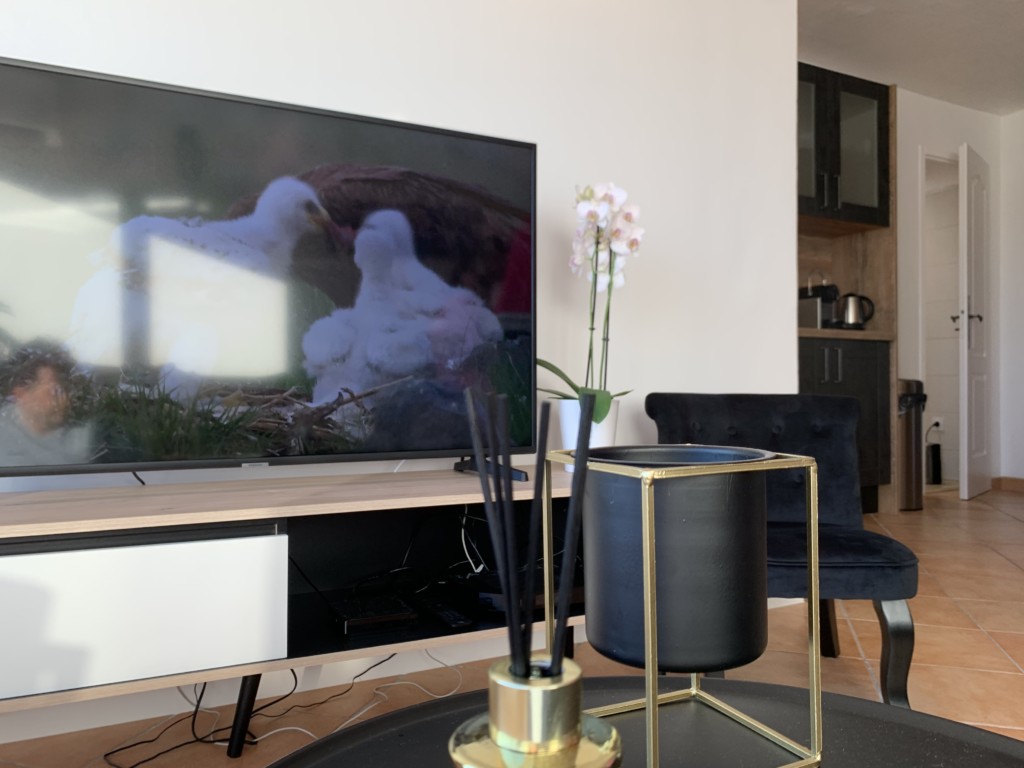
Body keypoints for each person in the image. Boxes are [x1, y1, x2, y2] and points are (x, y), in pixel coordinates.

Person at [0, 341, 93, 467]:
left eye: (65, 390)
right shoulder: (4, 440)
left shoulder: (82, 437)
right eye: (55, 391)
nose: (65, 399)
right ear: (21, 394)